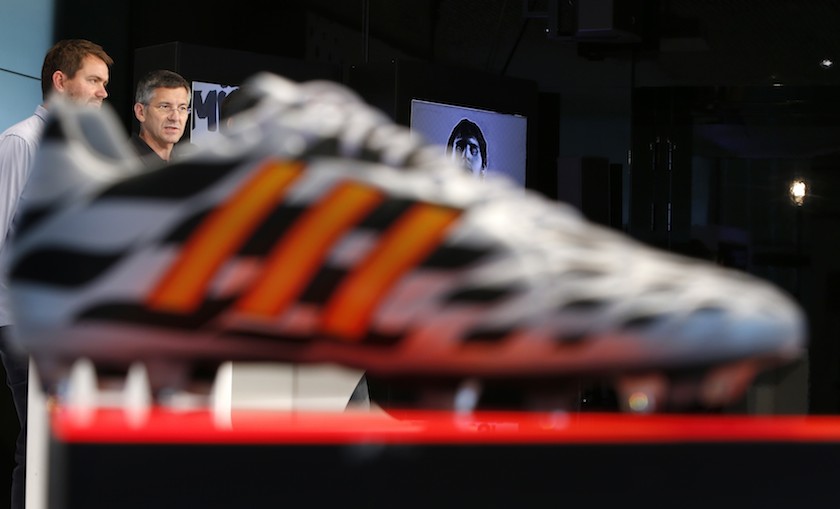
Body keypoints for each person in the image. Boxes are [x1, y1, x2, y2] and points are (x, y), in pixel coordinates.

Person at [0, 38, 113, 509]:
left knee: (64, 444)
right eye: (93, 80)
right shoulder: (22, 141)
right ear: (60, 81)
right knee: (43, 441)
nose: (102, 93)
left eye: (106, 84)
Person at [130, 69, 191, 164]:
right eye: (165, 107)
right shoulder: (122, 162)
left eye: (182, 108)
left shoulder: (186, 165)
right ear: (140, 112)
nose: (175, 117)